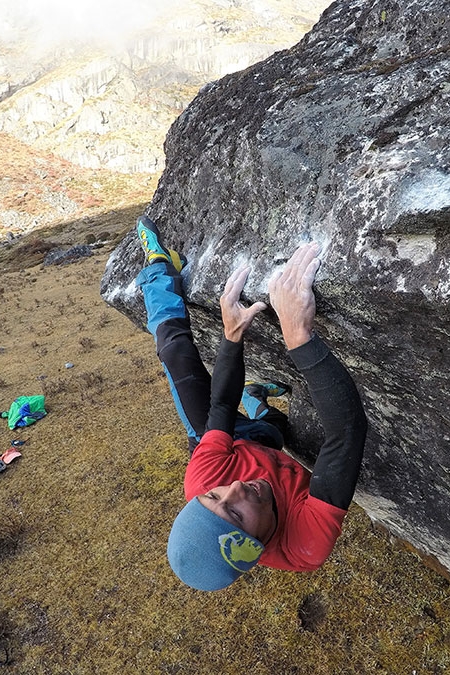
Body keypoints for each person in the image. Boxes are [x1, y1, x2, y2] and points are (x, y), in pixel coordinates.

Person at [134, 214, 368, 591]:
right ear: (254, 547)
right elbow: (347, 433)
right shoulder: (304, 544)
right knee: (274, 431)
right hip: (258, 443)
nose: (236, 487)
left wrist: (232, 335)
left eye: (214, 497)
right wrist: (298, 336)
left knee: (175, 352)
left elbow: (221, 409)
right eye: (235, 515)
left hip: (223, 442)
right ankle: (258, 402)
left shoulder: (204, 479)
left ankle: (159, 268)